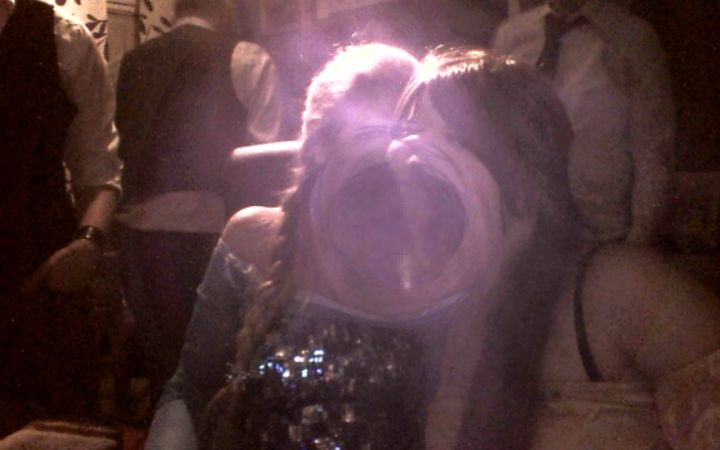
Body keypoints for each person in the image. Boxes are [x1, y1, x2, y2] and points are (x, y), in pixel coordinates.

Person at [399, 48, 720, 449]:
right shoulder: (436, 314)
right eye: (408, 143)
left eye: (452, 141)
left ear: (521, 156)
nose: (417, 166)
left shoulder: (617, 290)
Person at [144, 43, 421, 450]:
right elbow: (190, 389)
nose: (392, 157)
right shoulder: (251, 237)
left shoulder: (434, 265)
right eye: (372, 136)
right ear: (319, 145)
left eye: (409, 137)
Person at [114, 0, 284, 400]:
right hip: (215, 233)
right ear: (226, 7)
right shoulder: (246, 57)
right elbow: (264, 161)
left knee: (166, 370)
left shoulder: (130, 63)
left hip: (139, 237)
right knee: (219, 372)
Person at [0, 0, 122, 436]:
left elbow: (99, 167)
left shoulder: (63, 38)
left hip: (39, 274)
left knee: (52, 427)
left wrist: (88, 243)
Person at [493, 0, 675, 244]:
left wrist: (640, 236)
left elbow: (653, 143)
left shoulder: (631, 37)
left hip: (603, 228)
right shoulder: (511, 35)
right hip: (528, 227)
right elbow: (498, 131)